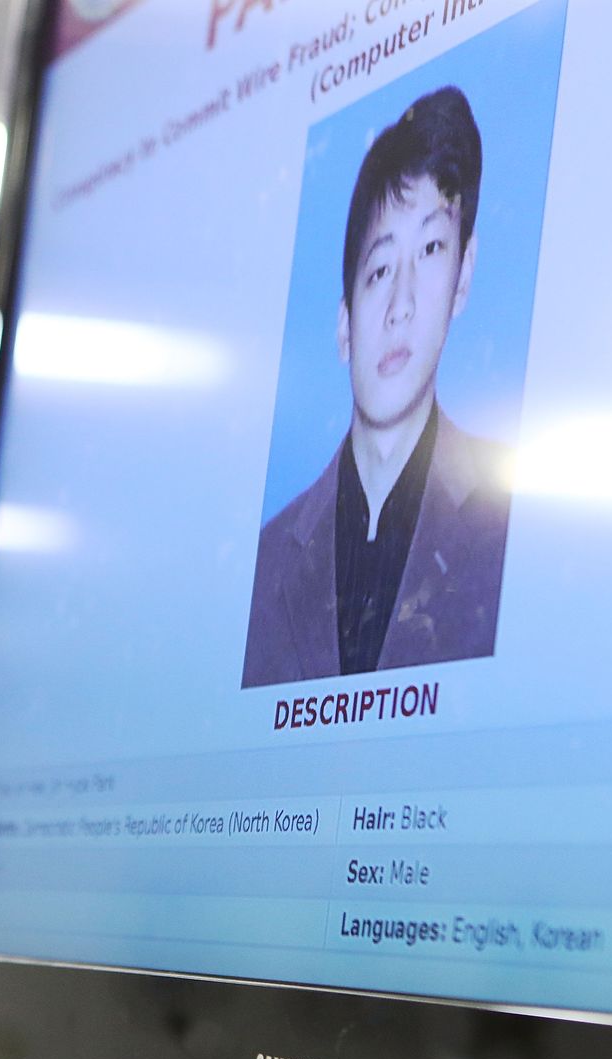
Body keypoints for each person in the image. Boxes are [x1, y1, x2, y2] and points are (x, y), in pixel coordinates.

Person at [243, 86, 512, 689]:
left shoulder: (513, 522)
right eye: (381, 268)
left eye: (432, 249)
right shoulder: (265, 565)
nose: (402, 305)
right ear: (344, 326)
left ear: (463, 278)